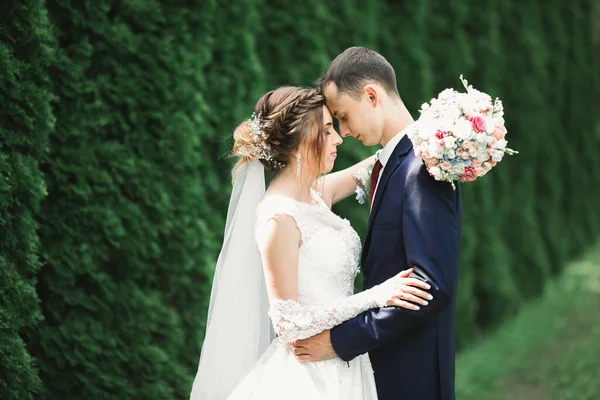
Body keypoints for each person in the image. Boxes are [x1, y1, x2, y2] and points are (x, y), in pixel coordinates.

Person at [191, 86, 432, 399]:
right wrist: (375, 297)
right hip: (308, 376)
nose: (338, 139)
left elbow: (379, 161)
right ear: (302, 140)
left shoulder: (317, 192)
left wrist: (440, 129)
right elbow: (289, 322)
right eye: (328, 130)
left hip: (346, 363)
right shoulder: (278, 218)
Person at [290, 47, 463, 400]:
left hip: (412, 373)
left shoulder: (423, 167)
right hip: (385, 367)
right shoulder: (393, 161)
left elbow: (432, 286)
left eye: (343, 116)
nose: (343, 131)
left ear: (371, 95)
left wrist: (340, 341)